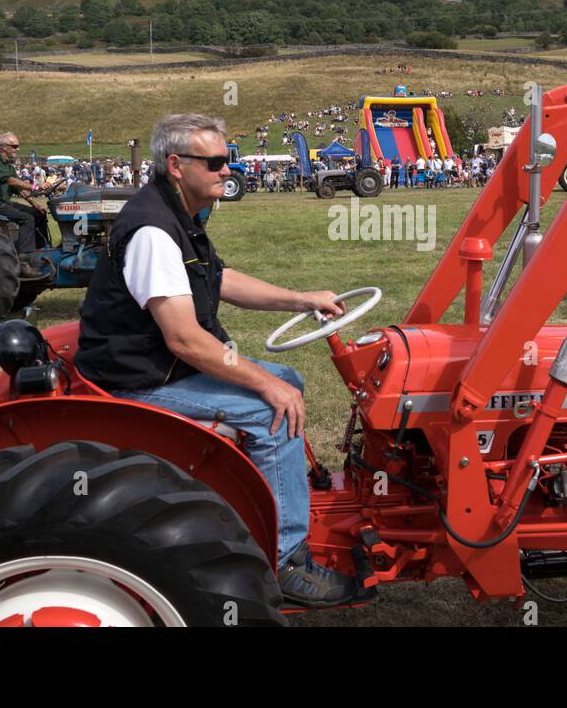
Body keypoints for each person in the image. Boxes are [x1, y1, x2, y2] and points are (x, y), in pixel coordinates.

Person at [76, 113, 357, 608]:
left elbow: (219, 280)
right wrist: (266, 388)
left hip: (155, 363)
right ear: (177, 165)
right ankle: (285, 559)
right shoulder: (154, 232)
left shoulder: (177, 217)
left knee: (286, 377)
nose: (228, 170)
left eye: (229, 160)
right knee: (273, 409)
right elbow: (185, 340)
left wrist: (301, 298)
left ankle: (255, 496)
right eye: (217, 162)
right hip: (139, 378)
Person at [0, 132, 50, 276]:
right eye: (14, 146)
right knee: (26, 219)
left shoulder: (8, 165)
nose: (17, 149)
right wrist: (35, 187)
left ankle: (40, 252)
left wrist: (35, 204)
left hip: (4, 202)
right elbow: (10, 181)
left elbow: (18, 188)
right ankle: (24, 262)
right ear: (3, 147)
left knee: (38, 214)